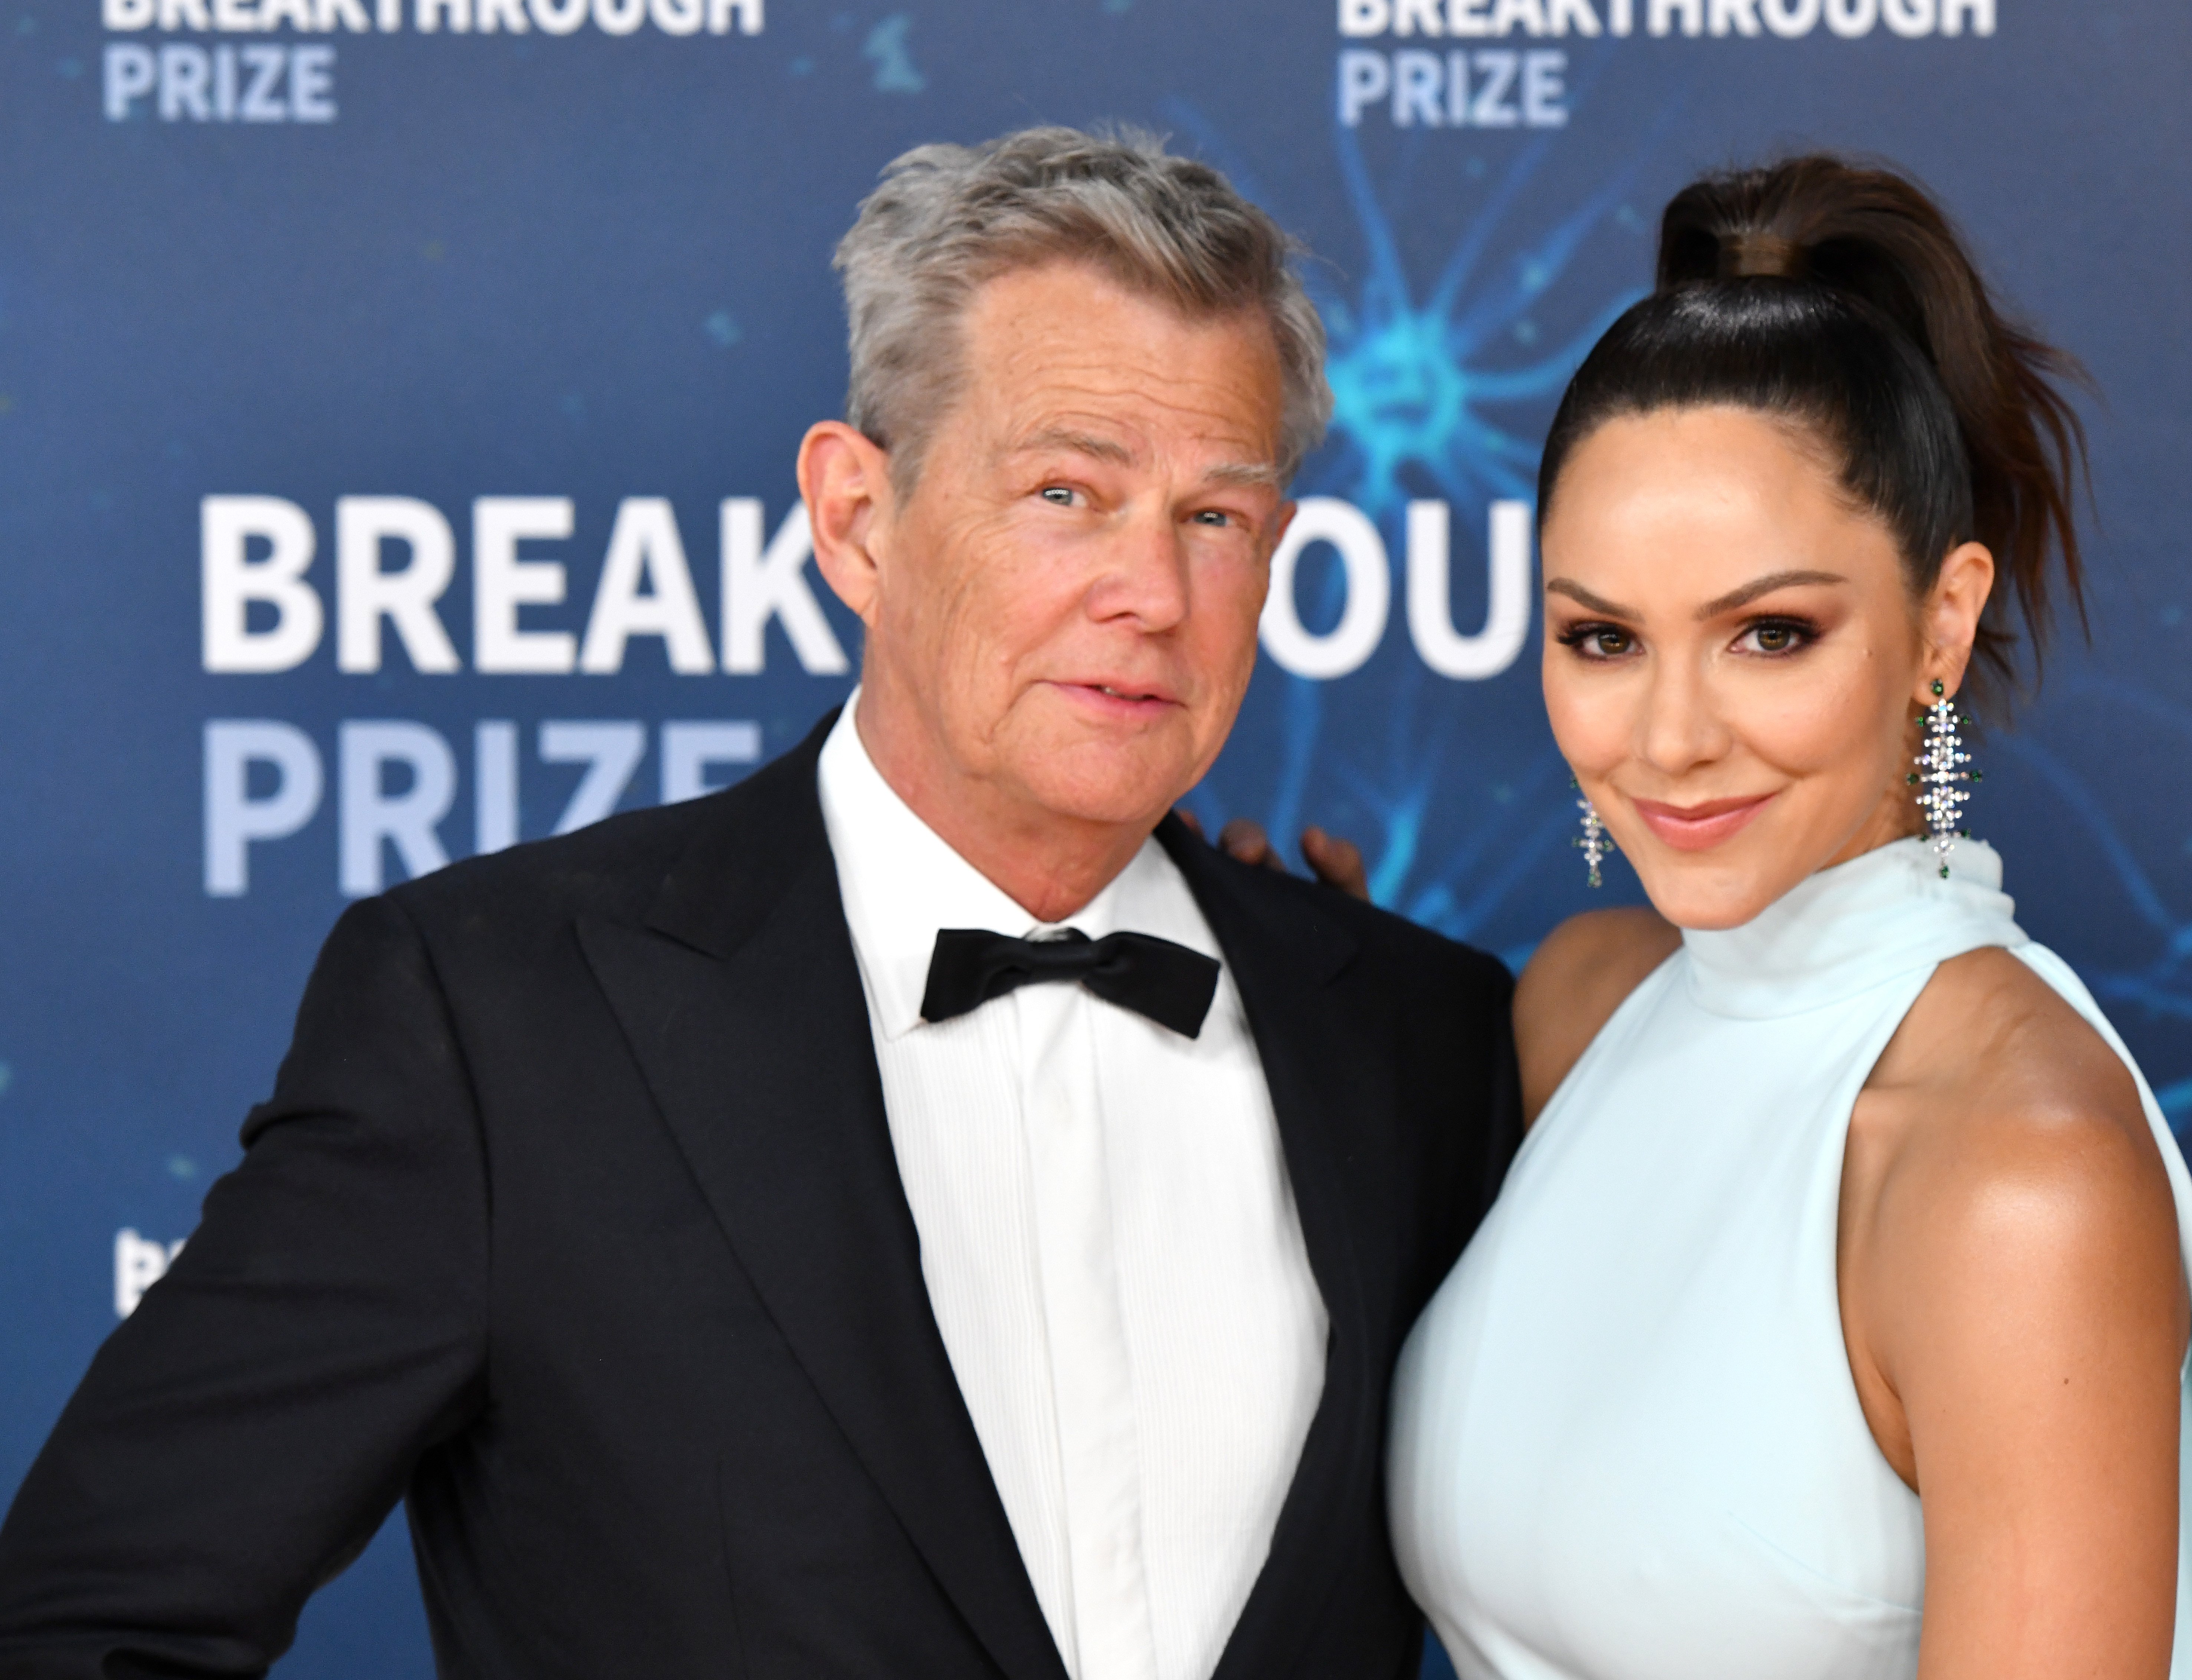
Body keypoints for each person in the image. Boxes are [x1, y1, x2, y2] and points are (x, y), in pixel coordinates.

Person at [0, 128, 1520, 1680]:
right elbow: (95, 1619)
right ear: (858, 519)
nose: (1151, 590)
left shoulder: (1425, 1039)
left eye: (1217, 518)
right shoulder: (500, 1016)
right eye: (1068, 490)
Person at [1385, 156, 2192, 1679]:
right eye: (1602, 638)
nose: (1670, 735)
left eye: (1771, 633)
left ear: (1941, 621)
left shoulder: (2017, 1172)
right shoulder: (1583, 1003)